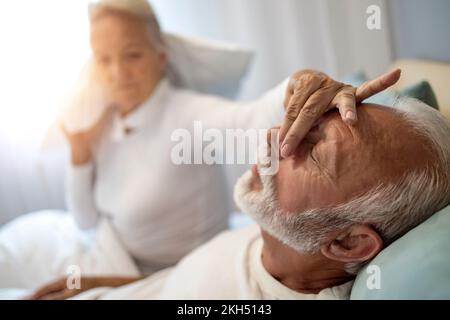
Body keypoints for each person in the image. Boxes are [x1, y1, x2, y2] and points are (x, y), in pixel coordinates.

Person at [0, 0, 399, 291]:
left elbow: (250, 120)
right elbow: (85, 222)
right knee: (14, 242)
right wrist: (79, 154)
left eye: (132, 55)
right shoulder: (106, 121)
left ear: (160, 56)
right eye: (103, 59)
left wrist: (302, 85)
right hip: (101, 247)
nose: (117, 73)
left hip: (150, 273)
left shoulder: (187, 115)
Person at [31, 97, 450, 300]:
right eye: (307, 124)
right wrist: (117, 286)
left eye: (317, 150)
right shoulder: (283, 238)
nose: (275, 138)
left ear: (347, 243)